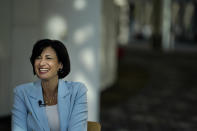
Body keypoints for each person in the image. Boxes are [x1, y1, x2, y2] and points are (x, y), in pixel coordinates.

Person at [12, 39, 88, 131]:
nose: (41, 63)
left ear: (60, 64)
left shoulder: (77, 91)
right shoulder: (21, 93)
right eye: (38, 57)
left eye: (48, 58)